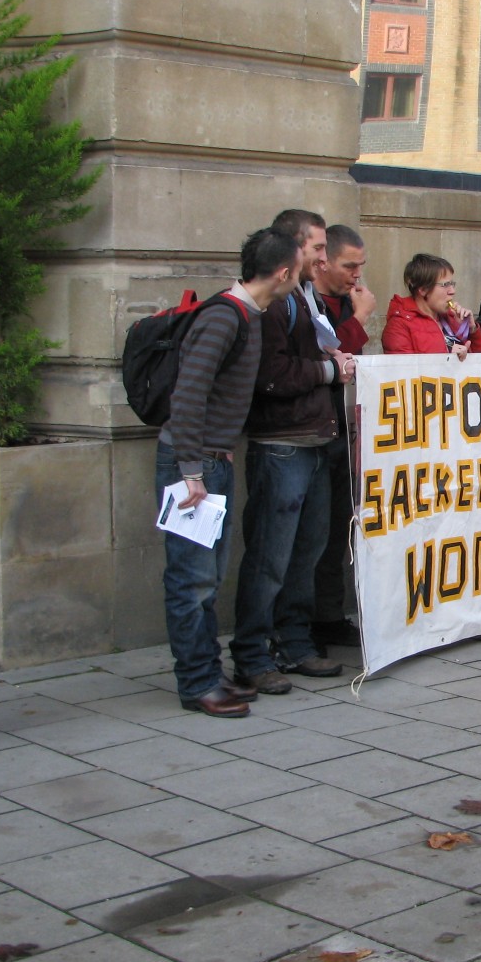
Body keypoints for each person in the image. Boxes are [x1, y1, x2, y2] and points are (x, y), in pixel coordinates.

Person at [153, 224, 302, 718]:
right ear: (283, 273)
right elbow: (189, 395)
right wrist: (192, 470)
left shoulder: (247, 314)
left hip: (210, 460)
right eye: (298, 270)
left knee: (208, 576)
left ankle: (206, 673)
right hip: (192, 465)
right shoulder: (226, 318)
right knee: (192, 578)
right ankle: (197, 683)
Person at [234, 209, 353, 685]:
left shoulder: (303, 298)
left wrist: (331, 358)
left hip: (312, 438)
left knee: (306, 551)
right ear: (295, 247)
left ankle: (295, 641)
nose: (323, 258)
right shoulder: (277, 302)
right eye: (318, 248)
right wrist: (328, 370)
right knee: (271, 555)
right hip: (281, 443)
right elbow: (271, 376)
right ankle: (252, 653)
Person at [310, 224, 374, 656]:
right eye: (349, 265)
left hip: (339, 428)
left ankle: (330, 617)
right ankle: (302, 626)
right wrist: (361, 319)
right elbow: (334, 353)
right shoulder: (313, 304)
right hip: (311, 432)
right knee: (311, 536)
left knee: (336, 531)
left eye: (360, 267)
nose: (356, 275)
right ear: (324, 261)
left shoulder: (340, 301)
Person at [381, 254, 481, 357]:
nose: (452, 291)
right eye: (445, 285)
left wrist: (471, 330)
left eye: (452, 284)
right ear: (423, 290)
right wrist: (447, 358)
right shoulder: (399, 325)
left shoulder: (451, 318)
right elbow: (403, 372)